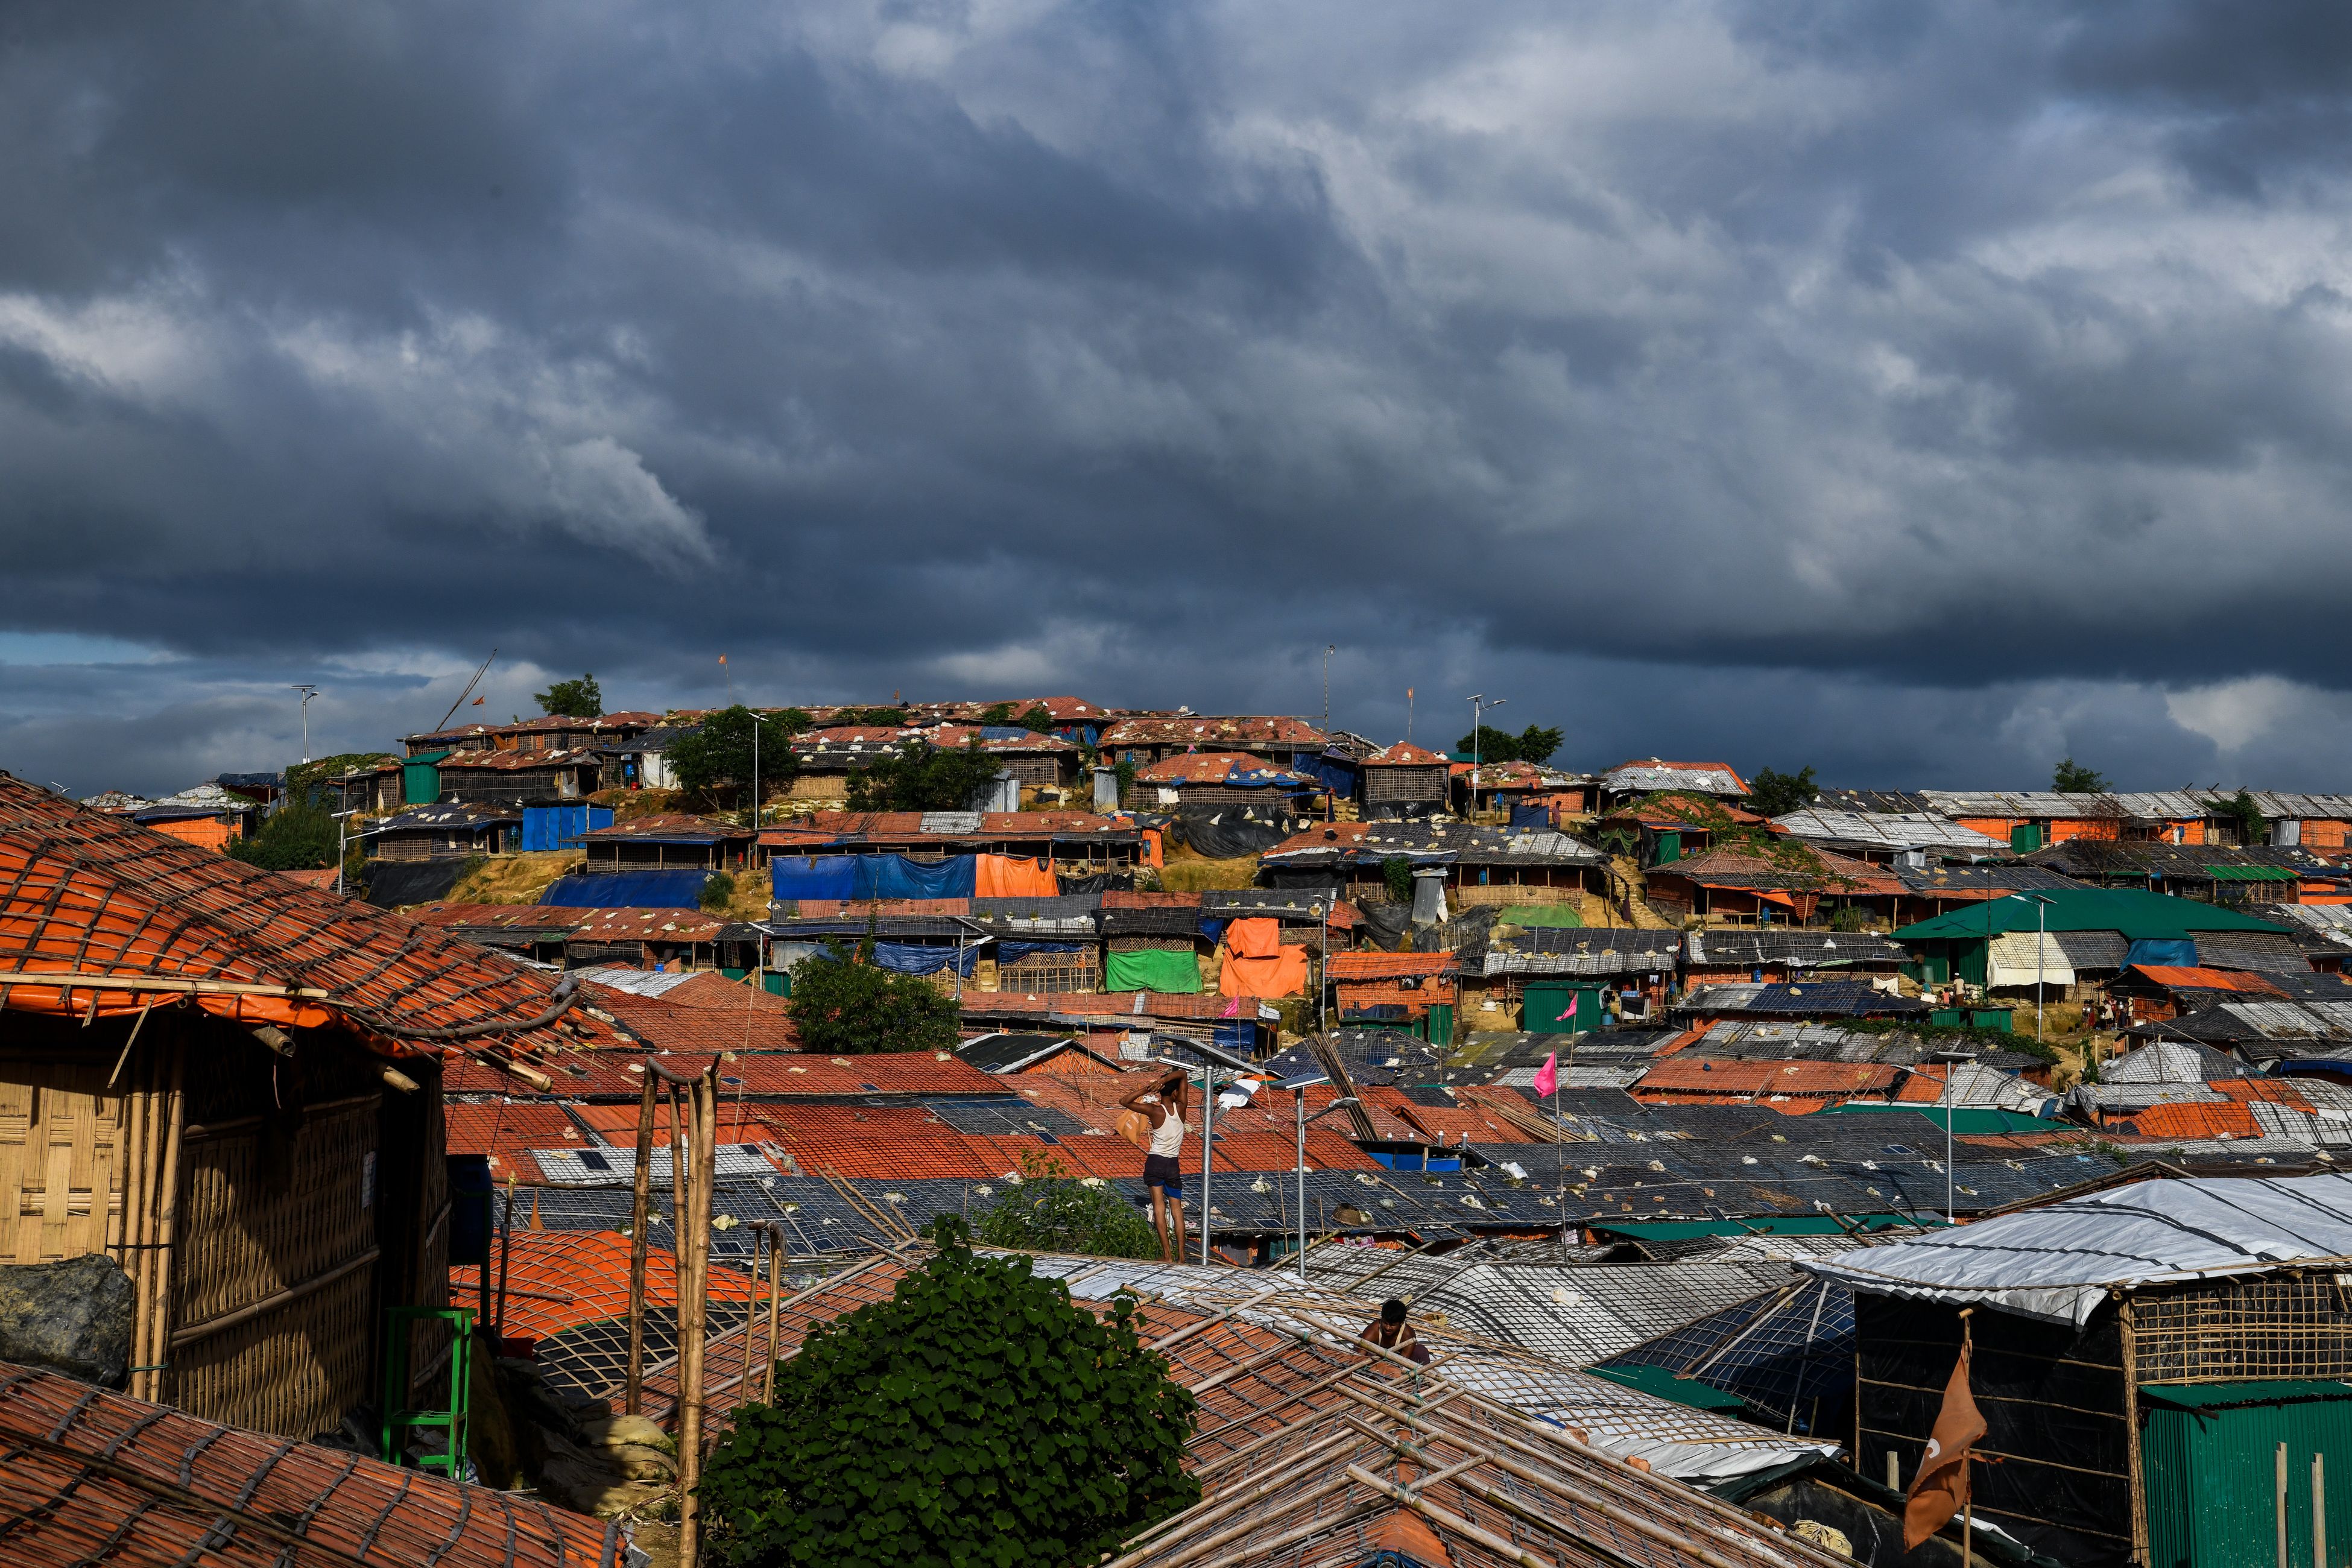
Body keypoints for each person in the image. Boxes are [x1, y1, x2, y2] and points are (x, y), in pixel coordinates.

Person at [1120, 1069, 1190, 1263]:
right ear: (1176, 1093)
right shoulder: (1182, 1108)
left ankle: (1167, 1255)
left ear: (1161, 1092)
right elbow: (1183, 1074)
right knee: (1177, 1211)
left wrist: (1147, 1089)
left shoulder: (1155, 1111)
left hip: (1156, 1162)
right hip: (1173, 1163)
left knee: (1159, 1208)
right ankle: (1182, 1256)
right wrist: (1165, 1081)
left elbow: (1124, 1102)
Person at [1361, 1298, 1430, 1365]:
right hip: (1375, 1362)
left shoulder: (1408, 1335)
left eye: (1392, 1325)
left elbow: (1403, 1363)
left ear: (1401, 1323)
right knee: (1360, 1341)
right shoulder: (1374, 1329)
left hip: (1396, 1365)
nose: (1388, 1328)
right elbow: (1360, 1355)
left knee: (1421, 1351)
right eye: (1385, 1323)